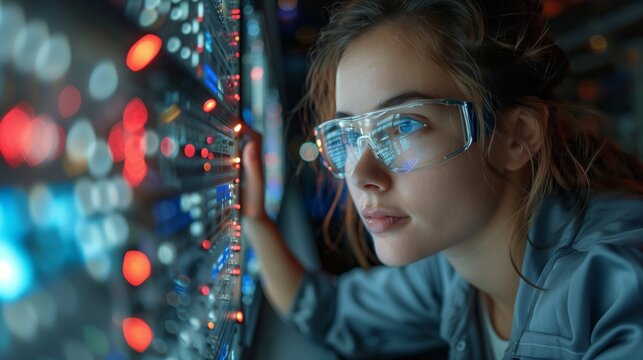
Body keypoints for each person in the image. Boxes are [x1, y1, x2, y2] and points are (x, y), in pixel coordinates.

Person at [240, 0, 643, 359]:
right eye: (347, 135)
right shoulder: (452, 269)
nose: (361, 175)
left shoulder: (620, 287)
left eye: (403, 125)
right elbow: (330, 313)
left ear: (517, 137)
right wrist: (254, 218)